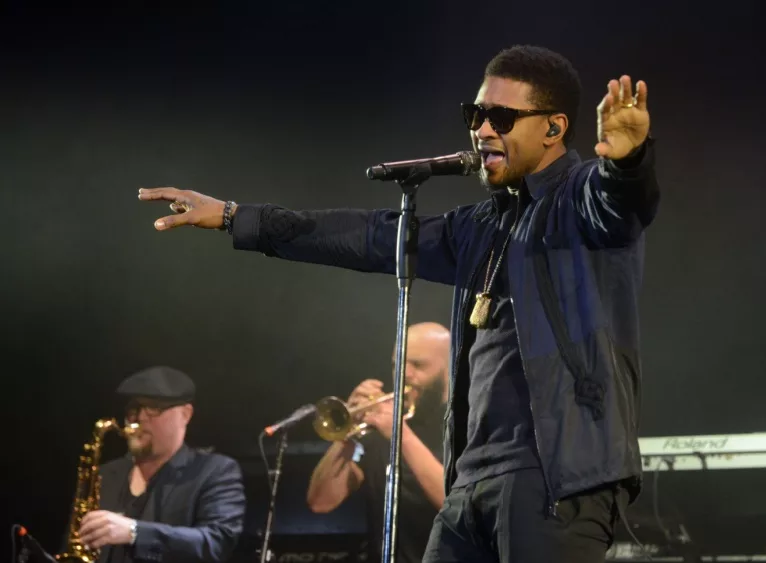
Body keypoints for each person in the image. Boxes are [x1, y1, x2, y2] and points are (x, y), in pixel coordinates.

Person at [138, 44, 658, 563]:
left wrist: (628, 162)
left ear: (553, 128)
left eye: (501, 116)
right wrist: (236, 216)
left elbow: (619, 201)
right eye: (475, 114)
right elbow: (366, 236)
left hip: (555, 481)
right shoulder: (478, 227)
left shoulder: (580, 199)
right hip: (471, 480)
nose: (481, 129)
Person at [306, 322, 449, 563]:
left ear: (450, 367)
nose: (404, 373)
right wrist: (347, 431)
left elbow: (456, 504)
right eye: (397, 364)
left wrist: (401, 435)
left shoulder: (467, 424)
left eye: (418, 365)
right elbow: (321, 503)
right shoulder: (379, 432)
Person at [76, 366, 246, 563]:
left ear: (185, 414)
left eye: (153, 407)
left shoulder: (215, 471)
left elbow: (216, 543)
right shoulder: (104, 475)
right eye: (134, 408)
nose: (138, 418)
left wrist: (135, 532)